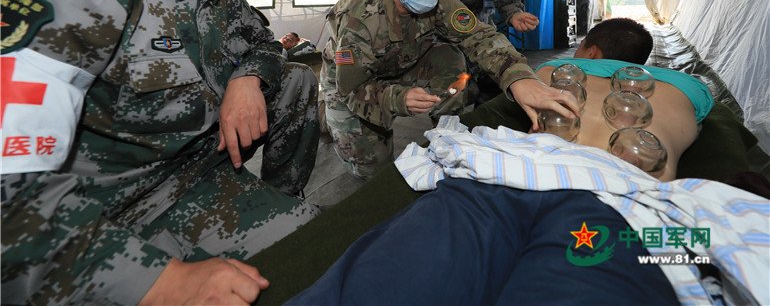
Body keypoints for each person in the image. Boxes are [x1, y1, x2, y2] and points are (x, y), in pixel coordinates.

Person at [1, 0, 320, 306]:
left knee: (315, 247)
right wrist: (159, 281)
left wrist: (247, 79)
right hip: (95, 219)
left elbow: (261, 42)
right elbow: (10, 196)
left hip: (196, 173)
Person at [286, 117, 769, 306]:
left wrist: (684, 240)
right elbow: (700, 239)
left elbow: (701, 235)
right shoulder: (681, 104)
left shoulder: (682, 108)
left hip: (550, 191)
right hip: (523, 185)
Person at [319, 0, 579, 179]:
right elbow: (351, 88)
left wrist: (519, 78)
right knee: (373, 171)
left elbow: (479, 36)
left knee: (451, 59)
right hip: (352, 83)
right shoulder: (357, 20)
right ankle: (327, 115)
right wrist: (397, 98)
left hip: (403, 60)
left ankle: (445, 129)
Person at [460, 18, 713, 180]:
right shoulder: (688, 87)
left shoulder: (551, 70)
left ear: (591, 52)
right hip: (638, 190)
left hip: (540, 174)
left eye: (579, 47)